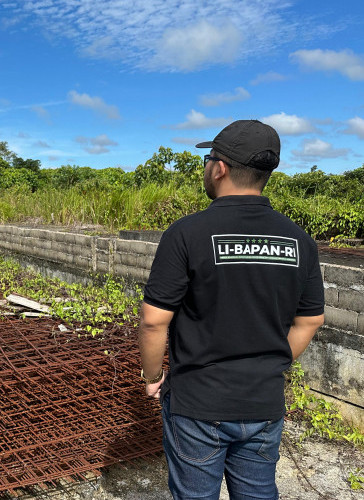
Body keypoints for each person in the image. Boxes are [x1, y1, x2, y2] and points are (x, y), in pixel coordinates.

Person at [138, 120, 325, 500]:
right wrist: (268, 364)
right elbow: (310, 319)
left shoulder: (187, 233)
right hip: (263, 402)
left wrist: (152, 374)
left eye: (208, 159)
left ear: (219, 167)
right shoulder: (299, 240)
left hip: (198, 404)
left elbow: (154, 320)